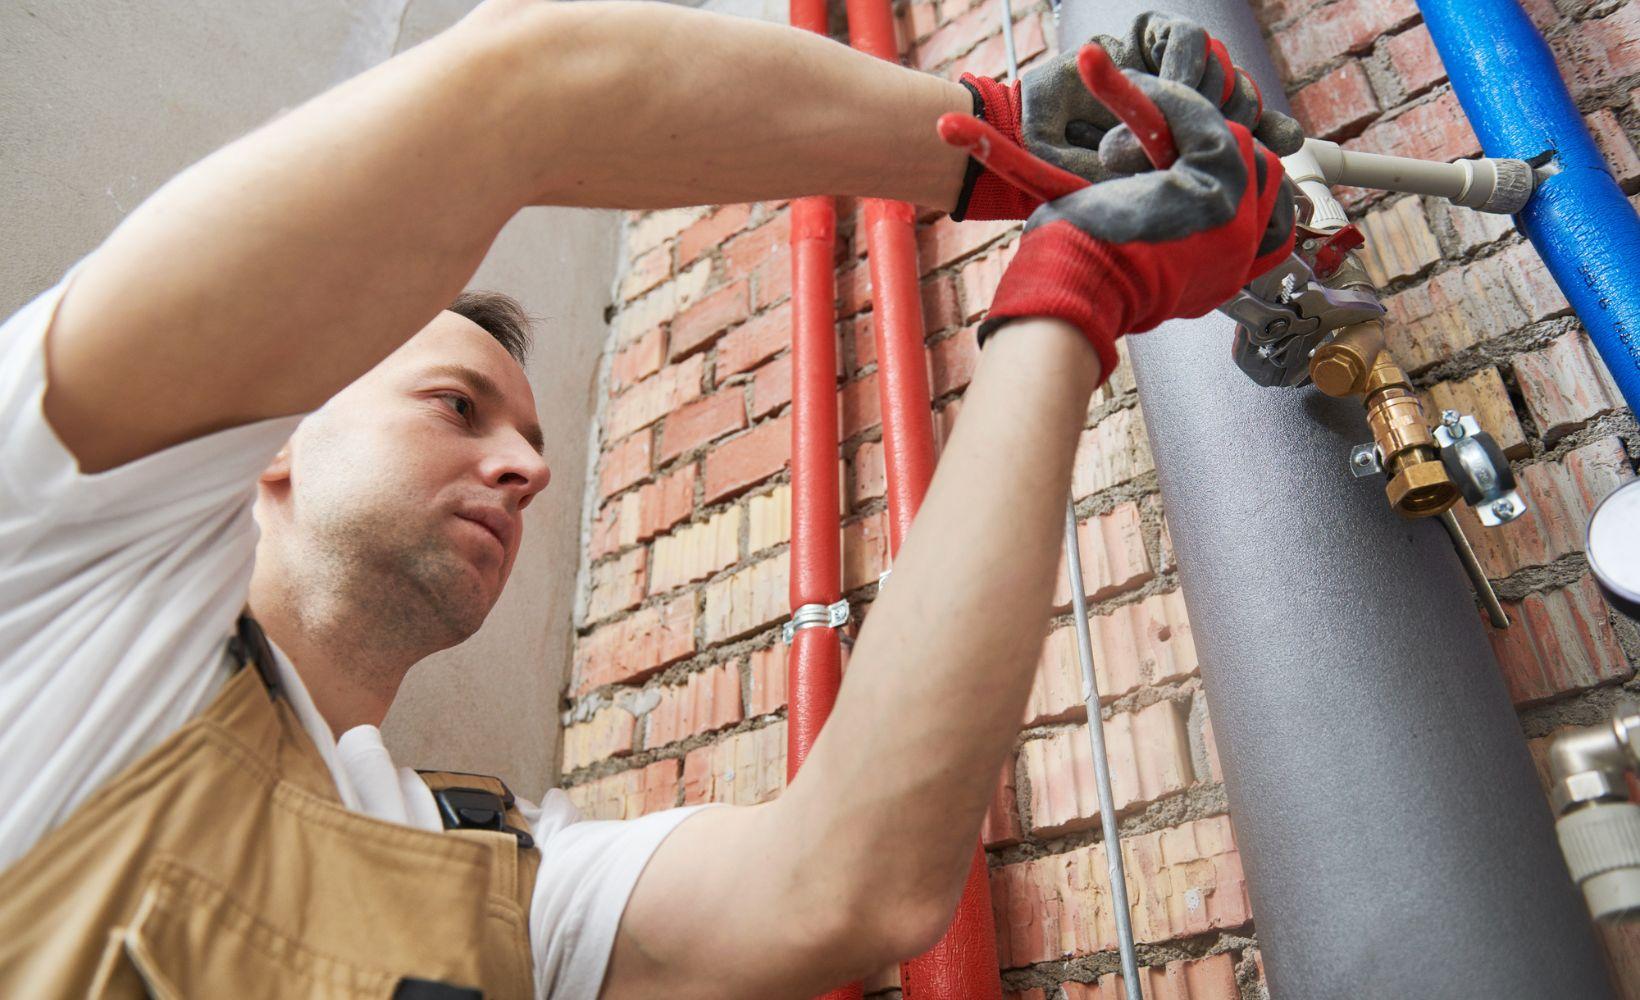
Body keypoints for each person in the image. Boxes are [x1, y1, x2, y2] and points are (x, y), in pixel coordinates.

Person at [0, 3, 1297, 996]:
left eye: (532, 434)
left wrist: (1072, 296)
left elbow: (844, 884)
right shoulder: (50, 564)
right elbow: (522, 86)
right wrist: (1000, 137)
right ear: (277, 442)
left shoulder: (506, 875)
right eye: (457, 407)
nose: (528, 467)